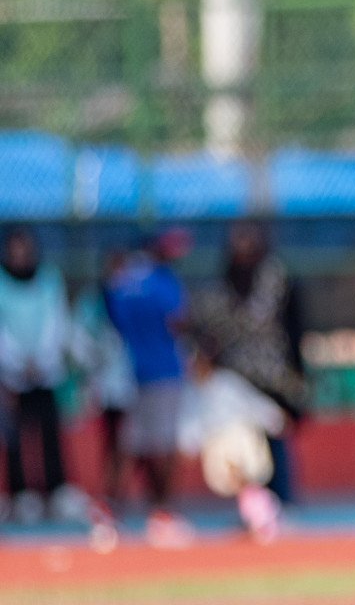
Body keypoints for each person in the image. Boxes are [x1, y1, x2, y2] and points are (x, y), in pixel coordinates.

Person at [188, 220, 306, 504]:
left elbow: (295, 326)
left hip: (273, 375)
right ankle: (254, 504)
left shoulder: (277, 280)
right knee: (245, 447)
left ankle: (282, 501)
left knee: (275, 433)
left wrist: (299, 371)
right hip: (237, 379)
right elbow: (208, 333)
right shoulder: (220, 289)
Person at [104, 228, 194, 548]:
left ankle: (110, 512)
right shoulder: (162, 280)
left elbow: (113, 318)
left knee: (129, 443)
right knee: (165, 445)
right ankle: (163, 513)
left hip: (132, 372)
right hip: (165, 370)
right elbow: (178, 321)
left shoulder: (123, 282)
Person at [0, 224, 90, 524]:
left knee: (50, 432)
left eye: (24, 248)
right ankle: (20, 494)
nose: (19, 255)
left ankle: (56, 491)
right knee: (15, 435)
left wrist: (42, 360)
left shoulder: (49, 279)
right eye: (14, 249)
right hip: (11, 376)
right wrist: (15, 364)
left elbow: (56, 322)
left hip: (46, 371)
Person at [177, 344, 287, 544]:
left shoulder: (226, 383)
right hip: (216, 444)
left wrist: (274, 419)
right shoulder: (193, 392)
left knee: (243, 477)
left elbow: (252, 403)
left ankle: (262, 515)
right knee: (237, 483)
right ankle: (257, 515)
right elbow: (193, 422)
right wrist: (188, 445)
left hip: (238, 437)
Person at [70, 248, 139, 508]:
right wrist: (94, 358)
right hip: (106, 382)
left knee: (135, 438)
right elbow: (78, 338)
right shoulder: (94, 300)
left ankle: (123, 490)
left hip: (137, 379)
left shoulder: (136, 298)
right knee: (112, 436)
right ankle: (110, 491)